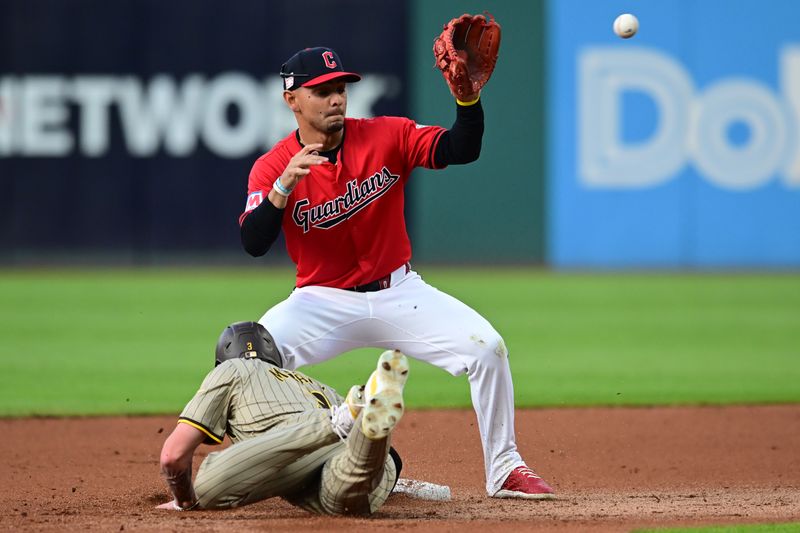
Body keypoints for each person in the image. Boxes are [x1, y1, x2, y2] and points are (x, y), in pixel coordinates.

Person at [238, 46, 554, 499]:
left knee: (487, 349)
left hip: (399, 291)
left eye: (340, 89)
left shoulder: (387, 135)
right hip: (320, 300)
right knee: (250, 360)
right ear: (292, 100)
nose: (336, 99)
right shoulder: (273, 167)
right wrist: (283, 187)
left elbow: (461, 149)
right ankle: (276, 471)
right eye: (322, 91)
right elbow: (253, 243)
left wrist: (468, 102)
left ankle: (505, 469)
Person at [156, 321, 409, 514]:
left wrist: (185, 501)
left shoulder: (231, 369)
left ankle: (338, 422)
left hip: (293, 440)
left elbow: (173, 456)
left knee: (208, 488)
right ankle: (364, 425)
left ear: (222, 359)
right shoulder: (318, 386)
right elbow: (394, 460)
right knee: (344, 496)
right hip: (352, 463)